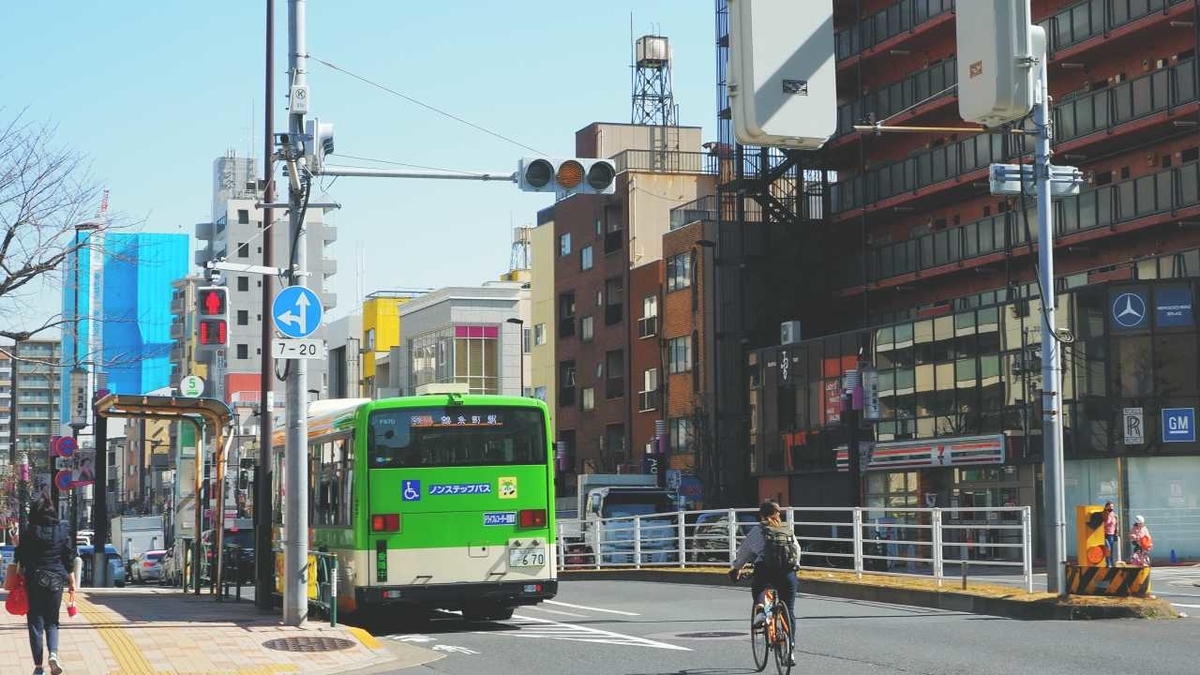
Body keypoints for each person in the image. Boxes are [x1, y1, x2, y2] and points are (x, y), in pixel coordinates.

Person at [728, 500, 801, 667]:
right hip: (787, 572)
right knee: (788, 610)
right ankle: (790, 651)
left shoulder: (757, 530)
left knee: (760, 586)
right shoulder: (786, 529)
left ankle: (761, 611)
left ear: (761, 514)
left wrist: (737, 569)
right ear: (778, 513)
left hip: (765, 569)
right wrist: (796, 567)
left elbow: (744, 553)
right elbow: (797, 549)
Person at [15, 498, 77, 675]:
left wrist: (17, 546)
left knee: (35, 622)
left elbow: (21, 558)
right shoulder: (62, 531)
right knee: (52, 621)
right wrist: (71, 580)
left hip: (34, 580)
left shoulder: (29, 532)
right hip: (56, 580)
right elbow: (68, 557)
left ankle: (38, 666)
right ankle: (54, 654)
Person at [1103, 501, 1118, 567]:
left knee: (1112, 550)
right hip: (1105, 534)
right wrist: (1108, 516)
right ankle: (1108, 563)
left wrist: (1117, 532)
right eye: (1110, 506)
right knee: (1108, 548)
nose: (1111, 508)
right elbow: (1103, 525)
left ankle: (1112, 563)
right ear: (1106, 507)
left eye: (1112, 507)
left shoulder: (1113, 514)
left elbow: (1116, 524)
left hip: (1112, 534)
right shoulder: (1104, 514)